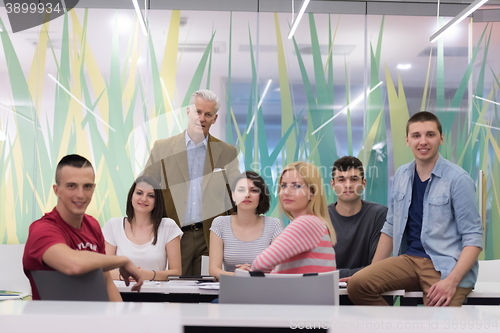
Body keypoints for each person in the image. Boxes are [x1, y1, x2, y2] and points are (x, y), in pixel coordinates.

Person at [348, 111, 483, 306]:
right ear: (407, 140)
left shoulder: (458, 180)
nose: (423, 141)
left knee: (438, 324)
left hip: (445, 266)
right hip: (409, 260)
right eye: (416, 135)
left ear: (441, 138)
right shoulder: (402, 174)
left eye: (430, 134)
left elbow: (473, 237)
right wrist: (372, 271)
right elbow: (391, 225)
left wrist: (452, 281)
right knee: (358, 285)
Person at [144, 89, 240, 276]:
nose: (202, 118)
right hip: (174, 235)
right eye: (198, 111)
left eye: (208, 114)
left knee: (208, 293)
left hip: (212, 238)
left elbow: (236, 195)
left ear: (215, 118)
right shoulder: (162, 148)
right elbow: (147, 188)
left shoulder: (227, 152)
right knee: (175, 294)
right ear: (188, 112)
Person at [23, 154, 143, 301]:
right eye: (71, 186)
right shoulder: (42, 230)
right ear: (56, 190)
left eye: (87, 186)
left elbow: (106, 281)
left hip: (93, 319)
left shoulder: (92, 225)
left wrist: (120, 318)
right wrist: (122, 260)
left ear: (93, 189)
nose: (80, 194)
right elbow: (74, 265)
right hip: (52, 321)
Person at [251, 162, 336, 274]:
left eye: (296, 186)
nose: (286, 192)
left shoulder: (306, 223)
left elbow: (260, 264)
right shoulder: (316, 223)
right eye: (284, 185)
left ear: (312, 193)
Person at [102, 176, 182, 281]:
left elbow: (176, 272)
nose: (144, 199)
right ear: (131, 196)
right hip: (120, 293)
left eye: (151, 195)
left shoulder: (168, 225)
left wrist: (148, 275)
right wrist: (126, 276)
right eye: (139, 193)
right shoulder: (113, 225)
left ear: (157, 201)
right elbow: (104, 270)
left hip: (156, 294)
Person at [209, 171, 283, 279]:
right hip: (232, 287)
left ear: (260, 196)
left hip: (264, 288)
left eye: (253, 190)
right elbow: (213, 270)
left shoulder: (274, 225)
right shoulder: (220, 223)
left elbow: (278, 268)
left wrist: (251, 273)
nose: (247, 195)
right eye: (241, 190)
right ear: (233, 196)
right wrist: (236, 275)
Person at [328, 156, 387, 279]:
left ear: (363, 183)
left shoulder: (379, 214)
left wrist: (334, 275)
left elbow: (377, 268)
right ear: (333, 184)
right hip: (327, 291)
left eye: (354, 179)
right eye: (341, 180)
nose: (348, 185)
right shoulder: (320, 217)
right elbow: (318, 271)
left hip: (367, 289)